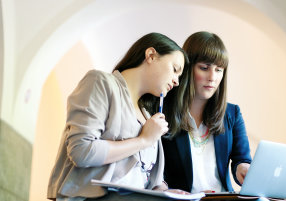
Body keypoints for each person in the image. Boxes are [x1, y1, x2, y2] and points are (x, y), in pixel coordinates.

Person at [47, 32, 188, 201]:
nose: (177, 81)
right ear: (151, 55)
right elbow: (81, 151)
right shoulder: (101, 82)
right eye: (175, 70)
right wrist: (143, 141)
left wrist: (166, 191)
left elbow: (150, 180)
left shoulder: (148, 116)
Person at [162, 31, 252, 193]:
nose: (212, 77)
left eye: (219, 70)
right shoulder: (164, 112)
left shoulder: (232, 113)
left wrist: (243, 168)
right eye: (204, 68)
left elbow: (242, 159)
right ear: (187, 68)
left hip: (223, 197)